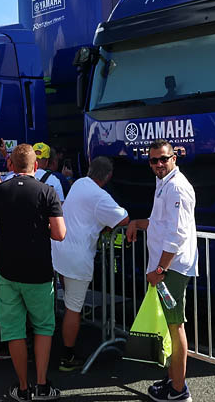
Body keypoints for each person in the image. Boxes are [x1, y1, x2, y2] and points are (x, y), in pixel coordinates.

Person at [0, 144, 66, 401]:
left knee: (14, 331)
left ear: (10, 166)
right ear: (36, 166)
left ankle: (23, 387)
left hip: (7, 271)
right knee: (43, 327)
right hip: (38, 270)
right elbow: (60, 233)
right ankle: (41, 385)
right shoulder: (47, 191)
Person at [126, 140, 198, 402]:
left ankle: (179, 391)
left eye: (163, 159)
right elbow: (160, 223)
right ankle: (172, 380)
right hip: (167, 268)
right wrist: (137, 222)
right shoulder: (164, 184)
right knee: (169, 328)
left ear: (174, 158)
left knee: (175, 326)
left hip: (172, 269)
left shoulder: (177, 187)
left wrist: (159, 269)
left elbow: (176, 235)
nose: (158, 164)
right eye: (153, 160)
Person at [51, 156, 128, 371]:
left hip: (60, 250)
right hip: (78, 257)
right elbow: (123, 219)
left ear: (90, 169)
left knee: (69, 303)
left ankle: (63, 344)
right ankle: (67, 357)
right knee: (73, 309)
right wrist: (104, 228)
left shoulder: (78, 184)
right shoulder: (100, 196)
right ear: (109, 176)